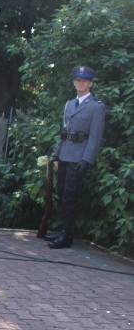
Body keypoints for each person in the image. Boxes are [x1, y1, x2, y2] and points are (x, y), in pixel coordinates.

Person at [46, 66, 105, 249]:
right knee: (62, 194)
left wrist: (86, 160)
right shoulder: (69, 104)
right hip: (65, 155)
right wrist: (57, 154)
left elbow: (95, 137)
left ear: (90, 84)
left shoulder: (96, 107)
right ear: (73, 83)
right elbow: (64, 133)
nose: (81, 83)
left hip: (79, 157)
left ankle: (67, 235)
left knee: (70, 196)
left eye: (84, 81)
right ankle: (63, 230)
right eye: (78, 80)